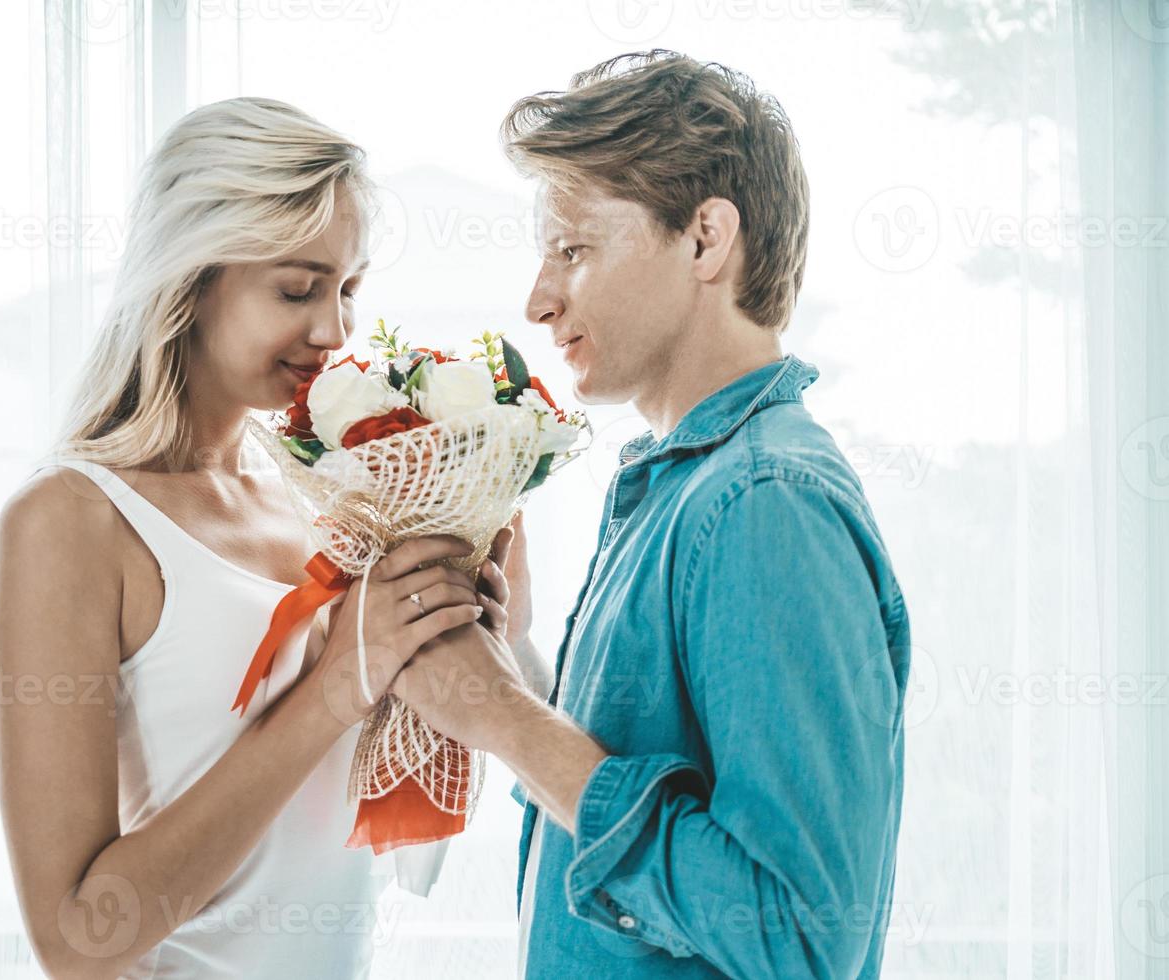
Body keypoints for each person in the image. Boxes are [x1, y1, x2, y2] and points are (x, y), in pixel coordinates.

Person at [389, 51, 912, 978]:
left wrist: (507, 721)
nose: (538, 301)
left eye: (574, 249)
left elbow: (798, 938)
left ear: (706, 240)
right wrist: (517, 668)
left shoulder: (765, 505)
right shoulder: (687, 493)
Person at [0, 97, 513, 980]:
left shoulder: (324, 501)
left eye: (348, 289)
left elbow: (368, 828)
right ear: (188, 281)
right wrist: (339, 682)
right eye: (297, 289)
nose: (334, 332)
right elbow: (77, 943)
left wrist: (464, 632)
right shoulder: (70, 523)